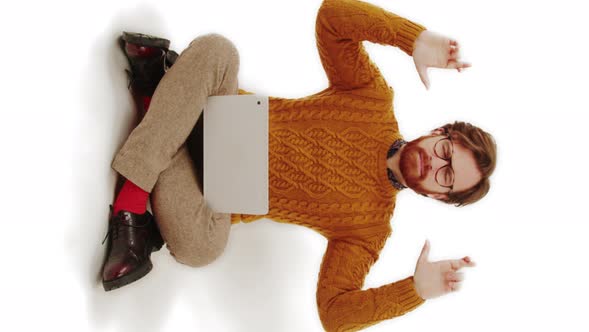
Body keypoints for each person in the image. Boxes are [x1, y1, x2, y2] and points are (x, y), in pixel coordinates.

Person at [100, 0, 497, 331]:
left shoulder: (370, 228)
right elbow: (332, 17)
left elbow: (336, 315)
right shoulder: (373, 98)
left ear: (437, 195)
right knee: (219, 51)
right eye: (446, 150)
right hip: (213, 112)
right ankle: (131, 209)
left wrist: (415, 291)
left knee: (202, 250)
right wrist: (412, 39)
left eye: (445, 176)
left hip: (203, 193)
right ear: (440, 131)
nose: (434, 163)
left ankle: (158, 94)